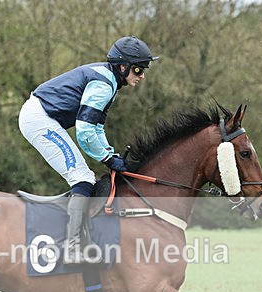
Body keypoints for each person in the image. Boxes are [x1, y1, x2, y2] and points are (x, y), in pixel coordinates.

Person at [19, 35, 158, 265]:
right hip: (39, 119)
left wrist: (110, 153)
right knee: (82, 177)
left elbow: (96, 127)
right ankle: (71, 248)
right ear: (122, 67)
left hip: (42, 116)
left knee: (85, 177)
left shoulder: (110, 82)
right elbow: (84, 131)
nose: (142, 75)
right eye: (138, 69)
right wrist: (106, 157)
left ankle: (79, 238)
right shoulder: (103, 84)